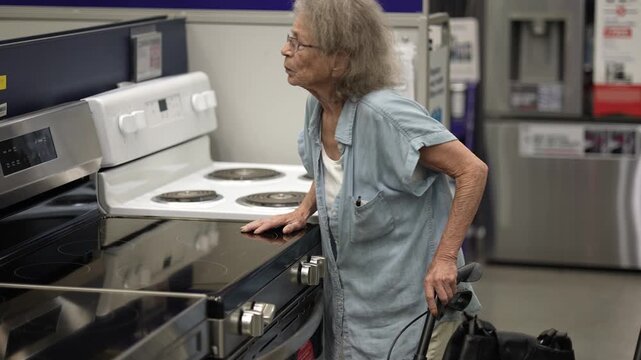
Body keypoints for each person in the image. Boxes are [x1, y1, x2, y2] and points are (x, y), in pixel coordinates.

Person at [240, 0, 488, 358]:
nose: (285, 50)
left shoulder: (385, 115)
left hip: (412, 322)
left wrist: (446, 259)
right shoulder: (320, 107)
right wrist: (303, 209)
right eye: (288, 39)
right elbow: (338, 170)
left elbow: (472, 170)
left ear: (339, 61)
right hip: (352, 320)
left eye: (298, 43)